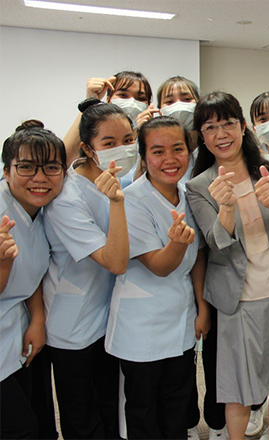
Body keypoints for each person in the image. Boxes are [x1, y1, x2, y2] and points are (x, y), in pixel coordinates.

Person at [186, 91, 269, 440]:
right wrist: (227, 207)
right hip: (238, 301)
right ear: (202, 136)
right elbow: (216, 242)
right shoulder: (199, 187)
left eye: (228, 123)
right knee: (238, 387)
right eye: (211, 127)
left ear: (242, 126)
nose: (221, 134)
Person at [104, 116, 211, 439]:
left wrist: (202, 307)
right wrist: (177, 244)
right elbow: (159, 265)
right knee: (143, 408)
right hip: (142, 327)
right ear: (143, 156)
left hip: (180, 318)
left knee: (177, 401)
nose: (169, 160)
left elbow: (199, 257)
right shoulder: (132, 200)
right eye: (158, 151)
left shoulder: (186, 193)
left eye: (178, 149)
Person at [43, 98, 130, 440]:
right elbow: (115, 260)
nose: (121, 150)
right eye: (109, 143)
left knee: (109, 406)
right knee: (82, 417)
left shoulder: (122, 180)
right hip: (72, 325)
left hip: (106, 317)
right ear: (87, 148)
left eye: (127, 140)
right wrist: (117, 203)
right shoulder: (67, 199)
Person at [0, 121, 66, 440]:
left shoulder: (42, 209)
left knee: (41, 424)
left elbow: (34, 274)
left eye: (51, 167)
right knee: (19, 428)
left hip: (20, 330)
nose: (40, 178)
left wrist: (38, 319)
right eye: (26, 167)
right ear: (6, 170)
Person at [62, 71, 153, 168]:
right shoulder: (96, 134)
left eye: (140, 98)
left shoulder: (150, 142)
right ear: (109, 99)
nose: (131, 102)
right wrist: (90, 105)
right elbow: (63, 160)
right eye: (123, 95)